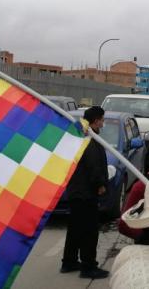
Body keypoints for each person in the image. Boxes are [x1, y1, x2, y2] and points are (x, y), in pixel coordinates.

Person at [61, 106, 110, 279]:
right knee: (89, 231)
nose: (103, 123)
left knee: (75, 228)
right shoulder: (90, 139)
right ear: (96, 120)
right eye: (102, 120)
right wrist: (100, 184)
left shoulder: (82, 135)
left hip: (76, 191)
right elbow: (93, 165)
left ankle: (69, 261)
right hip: (86, 193)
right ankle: (89, 267)